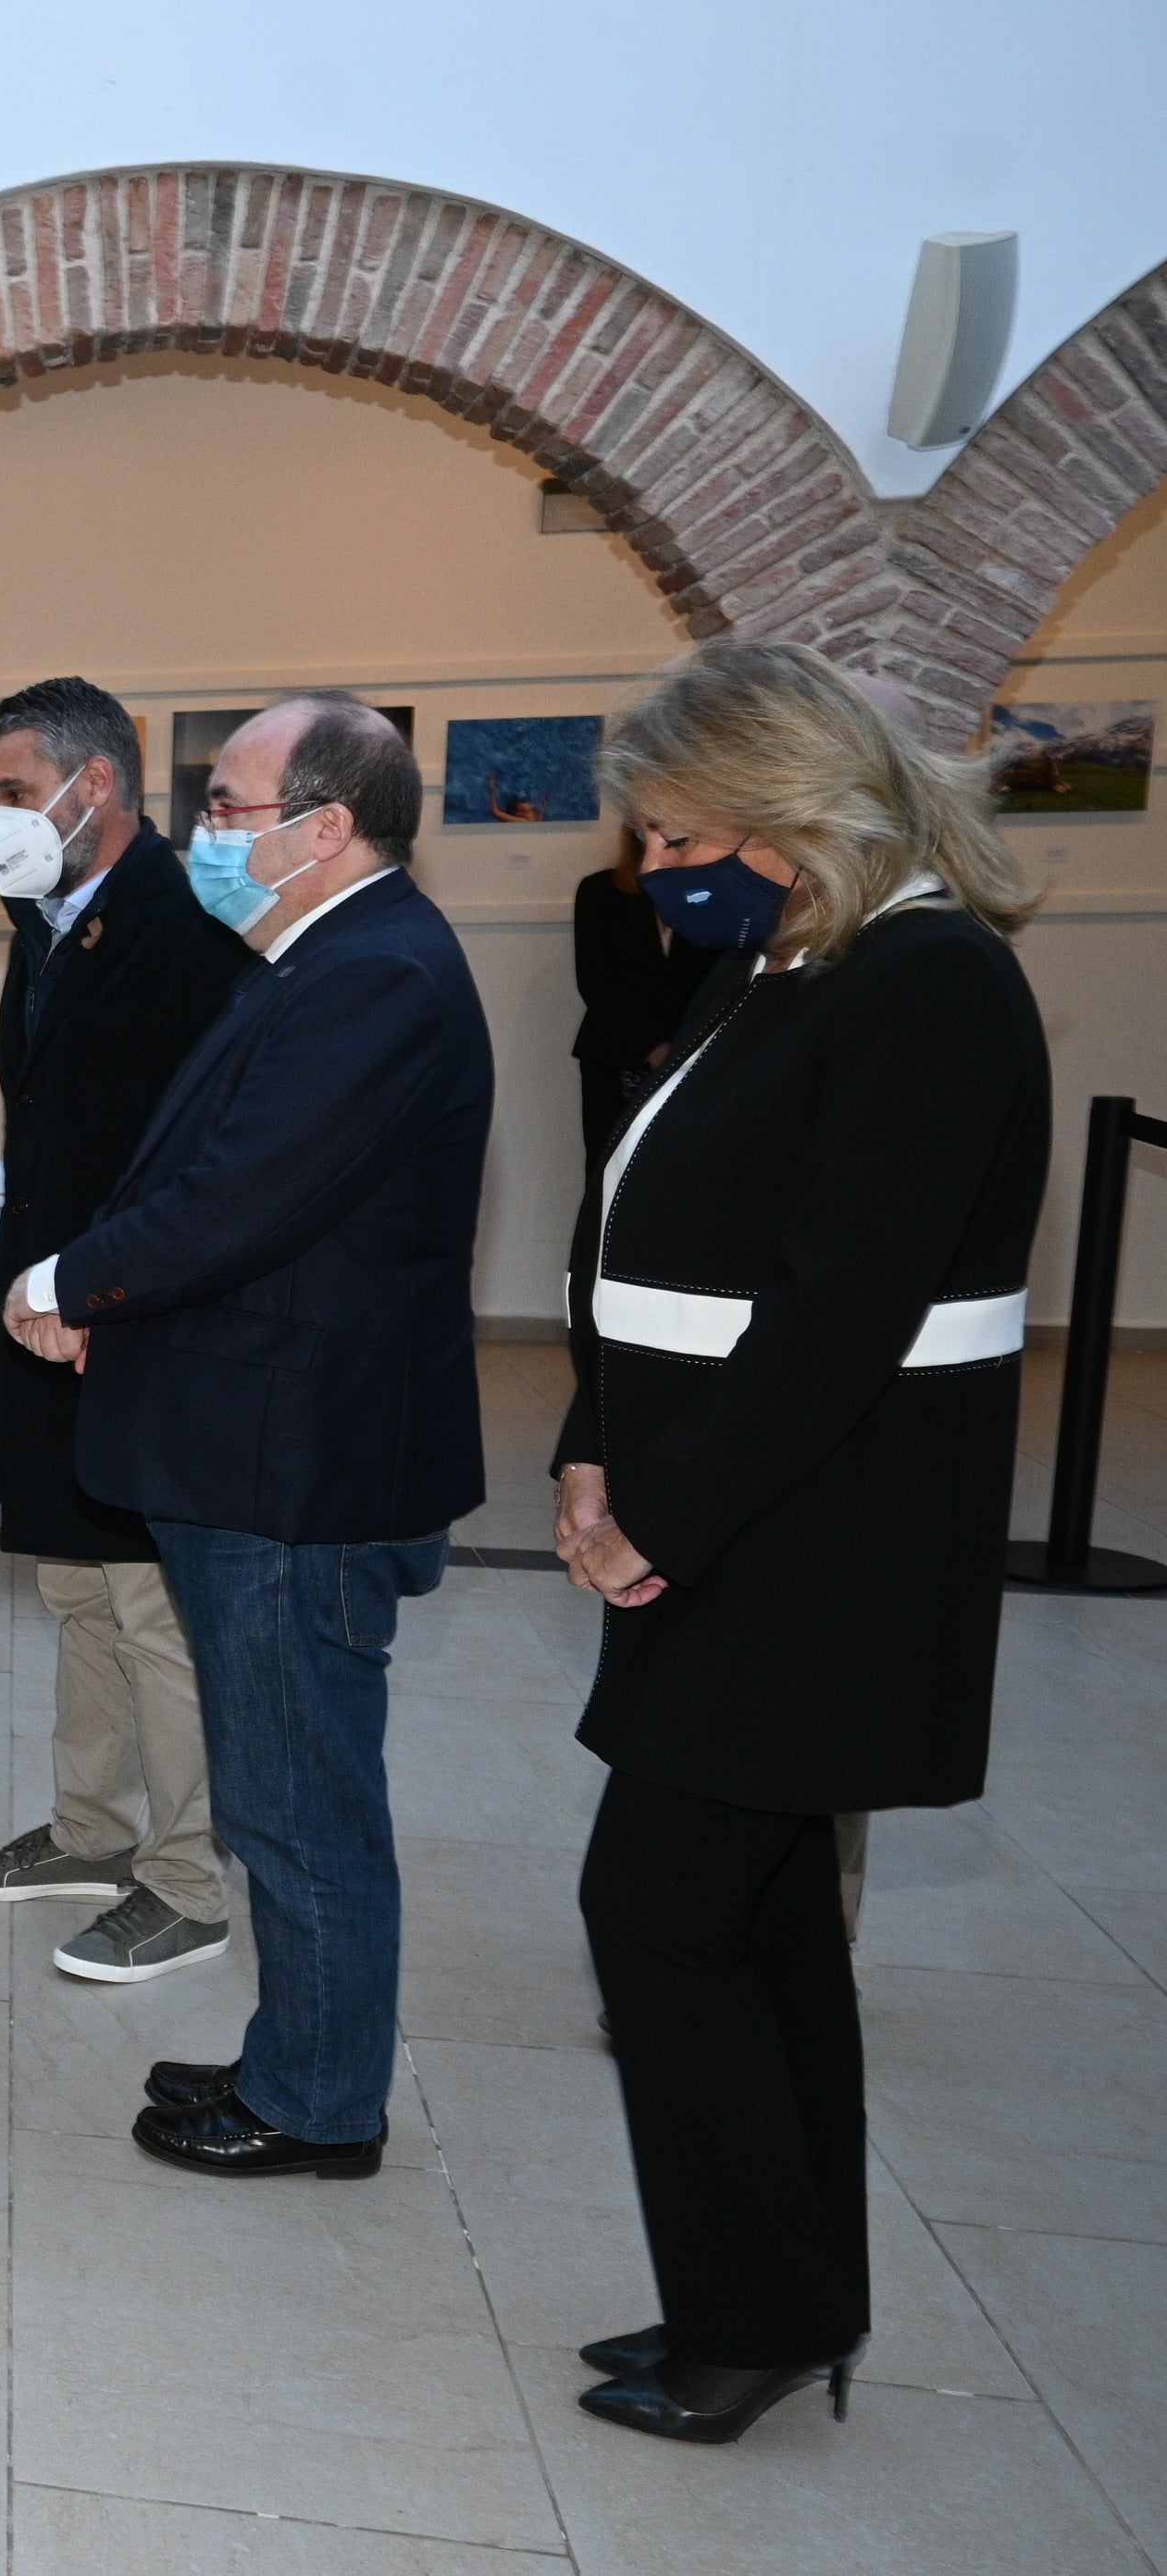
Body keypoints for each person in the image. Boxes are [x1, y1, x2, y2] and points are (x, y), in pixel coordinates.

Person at [552, 638, 1047, 2444]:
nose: (658, 862)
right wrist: (591, 1448)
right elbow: (645, 1241)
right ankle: (776, 2302)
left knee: (658, 1914)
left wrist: (657, 1514)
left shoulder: (934, 985)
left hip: (812, 1549)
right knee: (758, 1932)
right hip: (717, 1514)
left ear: (788, 809)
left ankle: (750, 2317)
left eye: (681, 825)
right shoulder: (791, 958)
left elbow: (838, 1312)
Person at [1, 694, 490, 2180]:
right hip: (264, 1431)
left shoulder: (376, 977)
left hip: (297, 1459)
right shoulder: (319, 954)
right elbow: (219, 1163)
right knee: (282, 1790)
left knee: (296, 1806)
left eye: (228, 807)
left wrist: (76, 1279)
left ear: (326, 826)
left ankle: (318, 2104)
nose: (206, 830)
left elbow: (248, 1193)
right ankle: (299, 2057)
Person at [0, 678, 253, 1983]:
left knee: (152, 1606)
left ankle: (184, 1882)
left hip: (136, 1315)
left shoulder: (197, 929)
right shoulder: (46, 916)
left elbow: (205, 1157)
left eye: (13, 792)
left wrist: (110, 1297)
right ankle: (91, 1833)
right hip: (48, 1308)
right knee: (78, 1591)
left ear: (98, 785)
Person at [569, 824, 719, 1168]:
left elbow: (718, 979)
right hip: (614, 1059)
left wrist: (682, 1050)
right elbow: (595, 981)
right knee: (610, 1169)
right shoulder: (598, 892)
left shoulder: (707, 894)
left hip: (694, 1063)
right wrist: (654, 1046)